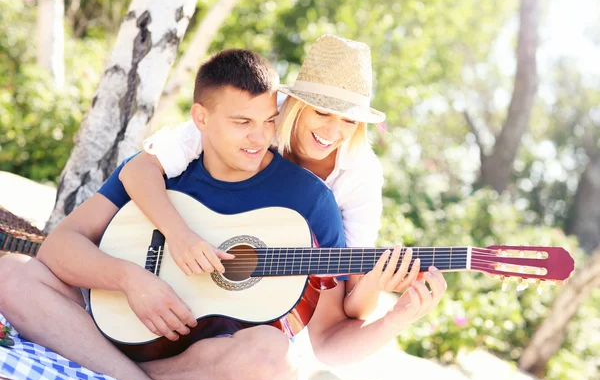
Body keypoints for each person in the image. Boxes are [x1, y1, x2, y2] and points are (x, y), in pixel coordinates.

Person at [0, 47, 446, 380]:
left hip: (205, 351)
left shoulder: (316, 201)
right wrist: (133, 279)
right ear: (201, 120)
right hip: (114, 313)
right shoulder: (172, 161)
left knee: (273, 366)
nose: (258, 138)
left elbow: (329, 329)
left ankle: (127, 371)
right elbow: (60, 247)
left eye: (267, 122)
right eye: (241, 123)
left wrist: (394, 314)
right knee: (10, 274)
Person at [120, 34, 423, 321]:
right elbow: (138, 170)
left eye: (349, 120)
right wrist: (178, 234)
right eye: (321, 113)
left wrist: (377, 285)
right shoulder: (255, 117)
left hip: (271, 303)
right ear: (296, 105)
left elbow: (349, 301)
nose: (333, 133)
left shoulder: (360, 174)